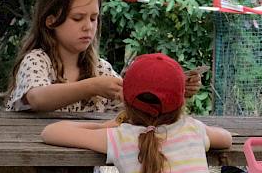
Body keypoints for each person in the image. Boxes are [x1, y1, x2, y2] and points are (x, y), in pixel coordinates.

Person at [2, 0, 201, 112]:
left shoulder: (100, 68)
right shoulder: (36, 60)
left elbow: (135, 105)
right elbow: (37, 98)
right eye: (77, 18)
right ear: (51, 21)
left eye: (93, 18)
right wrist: (92, 86)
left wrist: (177, 90)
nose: (88, 26)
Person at [41, 53, 232, 173]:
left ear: (127, 102)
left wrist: (102, 126)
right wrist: (198, 126)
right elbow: (226, 139)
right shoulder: (192, 129)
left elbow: (50, 132)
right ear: (181, 102)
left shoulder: (122, 137)